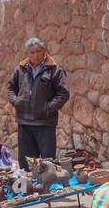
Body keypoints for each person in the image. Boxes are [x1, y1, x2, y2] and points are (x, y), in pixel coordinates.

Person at [5, 37, 70, 171]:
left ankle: (47, 188)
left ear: (44, 51)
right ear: (28, 54)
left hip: (45, 123)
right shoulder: (20, 69)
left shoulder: (54, 70)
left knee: (47, 161)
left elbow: (63, 93)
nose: (36, 55)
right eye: (32, 52)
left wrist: (48, 108)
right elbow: (10, 88)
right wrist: (16, 101)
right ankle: (28, 187)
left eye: (38, 51)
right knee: (26, 161)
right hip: (24, 122)